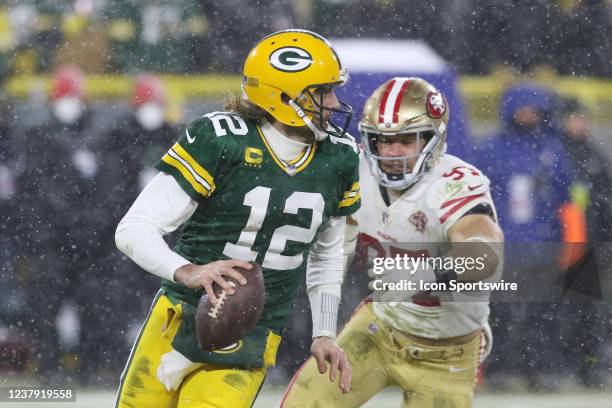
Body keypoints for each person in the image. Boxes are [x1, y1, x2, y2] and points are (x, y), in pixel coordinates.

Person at [114, 29, 360, 407]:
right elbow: (133, 229)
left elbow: (328, 254)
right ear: (282, 97)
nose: (334, 102)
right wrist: (186, 270)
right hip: (179, 316)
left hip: (254, 330)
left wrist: (324, 331)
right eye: (322, 92)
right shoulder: (221, 139)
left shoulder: (340, 158)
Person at [282, 77, 504, 407]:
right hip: (381, 329)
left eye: (405, 140)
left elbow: (486, 252)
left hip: (448, 352)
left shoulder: (454, 183)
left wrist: (430, 274)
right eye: (382, 141)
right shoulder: (356, 169)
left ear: (432, 140)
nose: (391, 153)